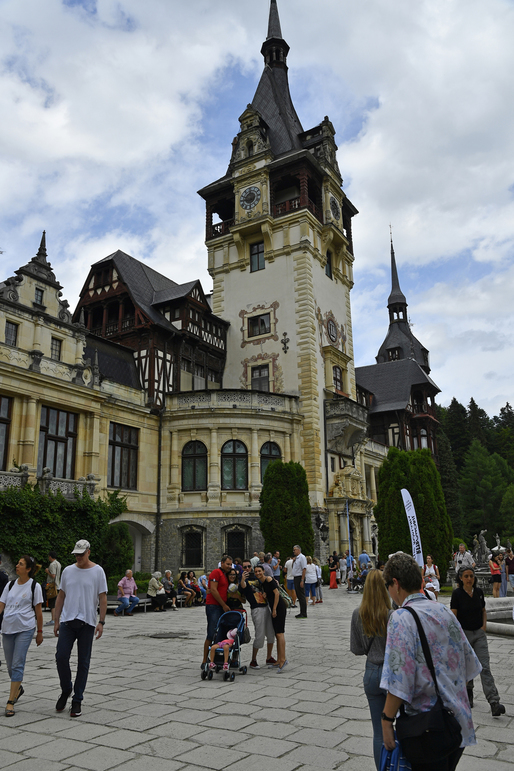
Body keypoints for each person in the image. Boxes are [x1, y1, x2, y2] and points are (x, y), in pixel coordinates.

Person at [381, 552, 482, 771]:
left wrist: (386, 721)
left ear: (396, 584)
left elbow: (399, 681)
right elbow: (469, 665)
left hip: (426, 728)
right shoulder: (444, 611)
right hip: (456, 723)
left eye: (388, 585)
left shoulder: (401, 618)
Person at [54, 539, 108, 718]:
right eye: (76, 554)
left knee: (83, 662)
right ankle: (66, 688)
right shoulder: (68, 571)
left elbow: (102, 597)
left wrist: (101, 621)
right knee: (61, 656)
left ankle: (77, 698)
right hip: (68, 621)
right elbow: (61, 596)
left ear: (89, 552)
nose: (78, 557)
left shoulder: (97, 571)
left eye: (81, 554)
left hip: (87, 622)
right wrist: (56, 620)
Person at [451, 565, 506, 716]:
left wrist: (484, 627)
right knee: (466, 668)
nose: (469, 579)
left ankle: (494, 701)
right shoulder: (457, 594)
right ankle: (468, 694)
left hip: (479, 634)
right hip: (465, 635)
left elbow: (483, 611)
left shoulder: (479, 593)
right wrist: (457, 636)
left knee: (484, 667)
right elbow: (453, 617)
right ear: (461, 578)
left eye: (471, 576)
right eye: (466, 576)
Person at [350, 569, 391, 770]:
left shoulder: (358, 613)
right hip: (393, 674)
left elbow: (356, 649)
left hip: (372, 671)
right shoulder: (393, 614)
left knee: (378, 731)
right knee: (397, 726)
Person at [0, 555, 44, 717]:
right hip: (7, 629)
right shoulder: (10, 585)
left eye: (20, 564)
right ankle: (18, 688)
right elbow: (1, 604)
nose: (17, 566)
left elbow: (39, 613)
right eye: (17, 563)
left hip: (25, 629)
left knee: (17, 664)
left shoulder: (34, 586)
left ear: (28, 569)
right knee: (11, 665)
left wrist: (39, 632)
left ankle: (10, 701)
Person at [240, 560, 276, 669]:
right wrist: (242, 578)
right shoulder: (243, 580)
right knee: (259, 635)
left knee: (271, 633)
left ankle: (269, 657)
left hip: (266, 607)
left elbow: (267, 585)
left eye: (249, 567)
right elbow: (242, 586)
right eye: (244, 567)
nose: (247, 569)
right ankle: (253, 660)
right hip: (257, 609)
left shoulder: (257, 579)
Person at [253, 565, 287, 671]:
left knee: (280, 633)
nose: (258, 573)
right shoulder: (262, 583)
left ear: (263, 571)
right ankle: (278, 659)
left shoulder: (268, 579)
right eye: (256, 571)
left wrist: (274, 609)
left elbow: (276, 594)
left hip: (279, 608)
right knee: (277, 634)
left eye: (259, 571)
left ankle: (283, 659)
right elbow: (270, 595)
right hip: (274, 608)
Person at [201, 554, 233, 670]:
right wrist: (224, 605)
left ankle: (215, 658)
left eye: (230, 564)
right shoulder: (216, 572)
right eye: (227, 564)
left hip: (220, 606)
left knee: (220, 633)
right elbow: (213, 590)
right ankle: (205, 660)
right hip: (214, 606)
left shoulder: (225, 574)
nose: (229, 566)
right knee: (211, 632)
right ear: (222, 563)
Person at [45, 550, 61, 626]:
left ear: (50, 557)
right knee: (56, 603)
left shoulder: (52, 565)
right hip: (58, 585)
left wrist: (47, 571)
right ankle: (56, 618)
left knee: (52, 604)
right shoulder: (58, 564)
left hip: (52, 586)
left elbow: (53, 575)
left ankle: (53, 619)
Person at [292, 545, 308, 618]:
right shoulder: (296, 558)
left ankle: (304, 612)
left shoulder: (302, 557)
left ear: (298, 550)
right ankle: (302, 611)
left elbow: (304, 569)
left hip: (299, 577)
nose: (294, 551)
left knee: (301, 595)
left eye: (295, 550)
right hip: (296, 577)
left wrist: (302, 580)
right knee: (298, 595)